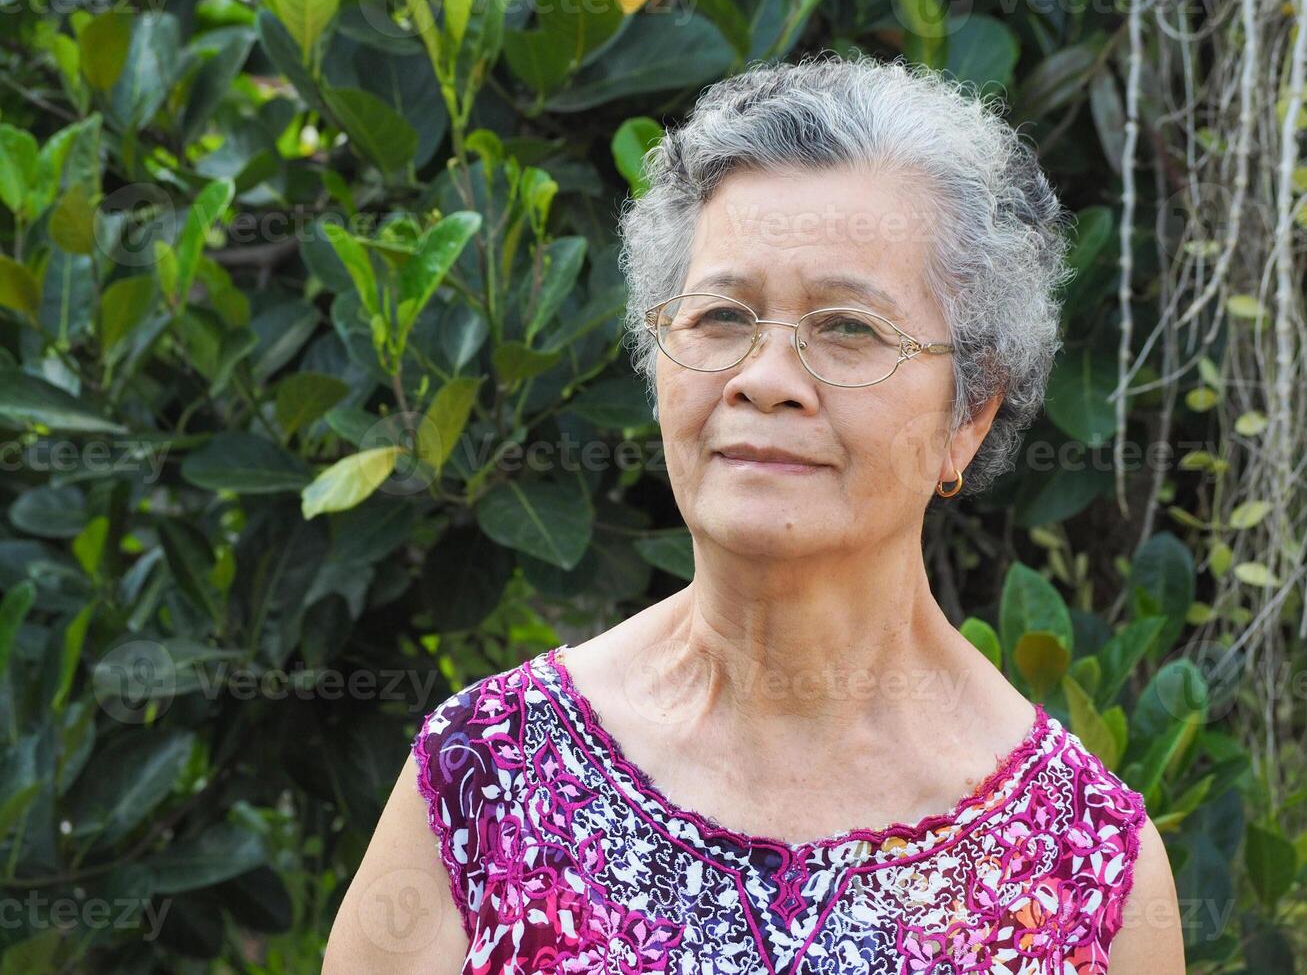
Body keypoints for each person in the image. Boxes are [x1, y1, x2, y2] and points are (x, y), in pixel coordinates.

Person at [324, 52, 1185, 974]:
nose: (764, 380)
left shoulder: (1087, 870)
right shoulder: (488, 772)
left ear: (968, 415)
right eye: (721, 317)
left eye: (848, 328)